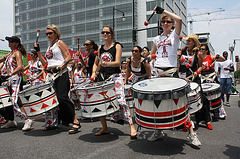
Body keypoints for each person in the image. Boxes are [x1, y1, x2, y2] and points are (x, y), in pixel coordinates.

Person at [148, 6, 201, 146]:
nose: (165, 23)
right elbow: (152, 54)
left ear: (171, 24)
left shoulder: (174, 35)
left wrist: (163, 11)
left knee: (181, 103)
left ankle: (192, 134)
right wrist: (147, 58)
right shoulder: (156, 39)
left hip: (171, 72)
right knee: (158, 104)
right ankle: (158, 131)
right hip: (158, 73)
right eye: (163, 21)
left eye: (168, 22)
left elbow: (180, 19)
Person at [91, 25, 137, 139]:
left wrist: (106, 64)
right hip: (103, 77)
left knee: (121, 101)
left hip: (115, 77)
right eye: (103, 32)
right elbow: (96, 63)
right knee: (100, 102)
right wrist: (93, 73)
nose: (105, 34)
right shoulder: (100, 48)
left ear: (112, 34)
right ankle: (104, 127)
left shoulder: (117, 46)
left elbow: (117, 62)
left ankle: (132, 126)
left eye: (107, 32)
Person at [34, 24, 81, 134]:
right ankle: (53, 122)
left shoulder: (60, 43)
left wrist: (60, 66)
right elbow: (45, 63)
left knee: (62, 98)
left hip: (60, 73)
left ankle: (75, 121)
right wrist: (38, 52)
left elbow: (68, 56)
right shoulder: (49, 47)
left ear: (56, 33)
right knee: (52, 100)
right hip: (51, 75)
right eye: (47, 34)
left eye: (50, 33)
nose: (48, 35)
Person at [178, 34, 213, 132]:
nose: (187, 42)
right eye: (187, 40)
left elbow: (200, 66)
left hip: (194, 78)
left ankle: (207, 120)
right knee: (183, 100)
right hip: (183, 78)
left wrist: (196, 72)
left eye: (190, 41)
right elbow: (178, 64)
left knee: (201, 98)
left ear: (194, 43)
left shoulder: (198, 54)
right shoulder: (182, 51)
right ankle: (183, 122)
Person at [0, 36, 33, 131]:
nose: (9, 43)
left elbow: (20, 67)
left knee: (15, 100)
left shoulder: (17, 53)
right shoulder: (10, 54)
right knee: (9, 100)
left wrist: (10, 73)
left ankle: (27, 120)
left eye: (11, 41)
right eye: (9, 41)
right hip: (10, 80)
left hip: (16, 79)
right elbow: (1, 59)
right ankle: (11, 120)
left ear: (16, 43)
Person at [199, 44, 227, 120]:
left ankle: (219, 112)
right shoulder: (199, 58)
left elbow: (223, 59)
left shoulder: (210, 57)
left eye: (203, 49)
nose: (201, 50)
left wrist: (218, 56)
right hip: (203, 79)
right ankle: (206, 114)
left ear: (206, 51)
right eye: (200, 49)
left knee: (216, 95)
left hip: (211, 78)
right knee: (205, 97)